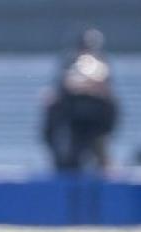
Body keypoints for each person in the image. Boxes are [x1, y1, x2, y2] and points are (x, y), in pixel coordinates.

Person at [41, 27, 120, 172]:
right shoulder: (70, 63)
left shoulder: (102, 63)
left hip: (95, 121)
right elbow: (66, 86)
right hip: (74, 120)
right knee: (71, 159)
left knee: (100, 159)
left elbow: (104, 89)